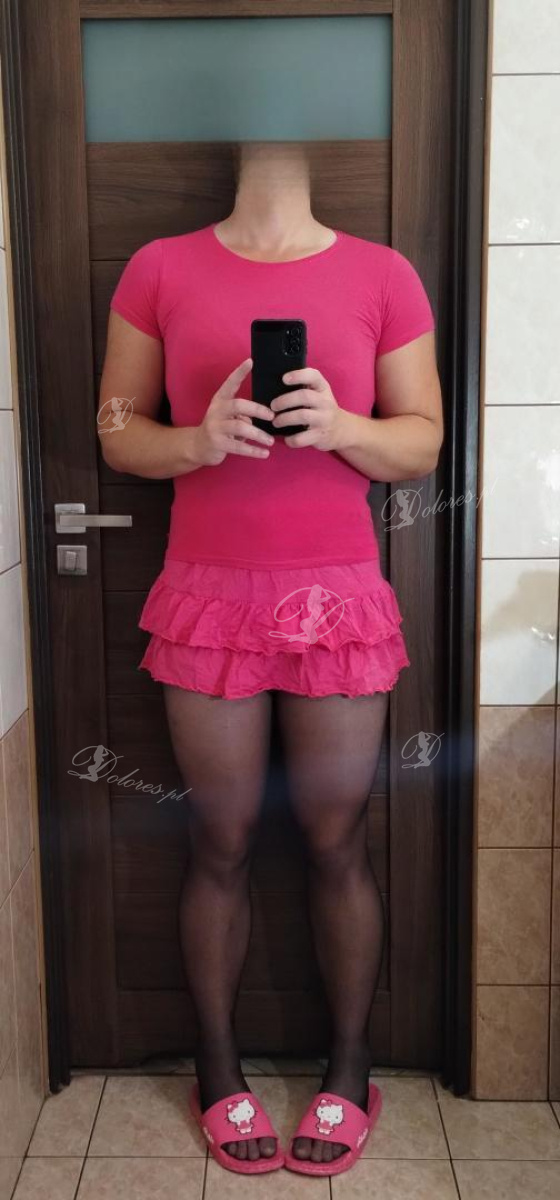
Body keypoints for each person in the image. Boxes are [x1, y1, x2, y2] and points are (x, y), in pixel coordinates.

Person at [98, 142, 443, 1177]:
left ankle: (350, 1070)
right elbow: (116, 429)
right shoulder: (158, 265)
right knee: (220, 840)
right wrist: (196, 441)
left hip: (338, 598)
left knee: (337, 841)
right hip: (209, 596)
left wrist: (340, 426)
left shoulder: (383, 272)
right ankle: (217, 1070)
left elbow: (423, 442)